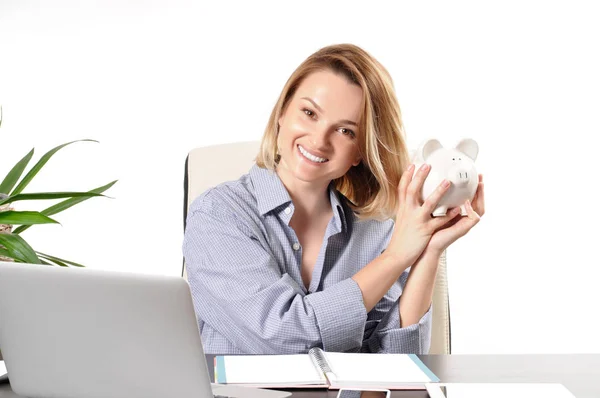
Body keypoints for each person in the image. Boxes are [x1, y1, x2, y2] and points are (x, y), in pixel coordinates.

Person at [183, 43, 485, 355]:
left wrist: (429, 251)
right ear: (282, 113)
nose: (319, 140)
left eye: (346, 131)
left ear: (360, 152)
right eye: (309, 113)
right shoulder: (217, 215)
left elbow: (396, 369)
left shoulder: (379, 233)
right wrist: (395, 258)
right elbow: (281, 339)